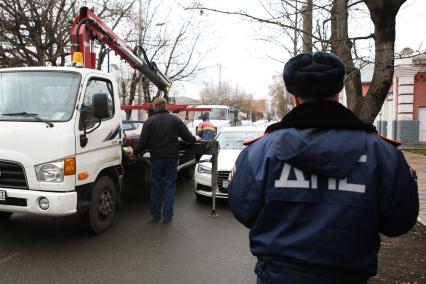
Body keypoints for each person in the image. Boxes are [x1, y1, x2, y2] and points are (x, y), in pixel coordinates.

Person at [227, 51, 419, 283]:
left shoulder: (260, 152)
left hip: (278, 276)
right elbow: (399, 221)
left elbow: (243, 209)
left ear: (294, 97)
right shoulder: (382, 154)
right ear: (338, 92)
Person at [130, 97, 200, 224]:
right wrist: (196, 139)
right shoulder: (175, 120)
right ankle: (167, 216)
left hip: (156, 158)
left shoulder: (149, 121)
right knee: (169, 186)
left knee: (156, 185)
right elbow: (187, 137)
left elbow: (143, 142)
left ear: (155, 107)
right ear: (166, 106)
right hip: (172, 158)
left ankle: (156, 215)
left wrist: (134, 152)